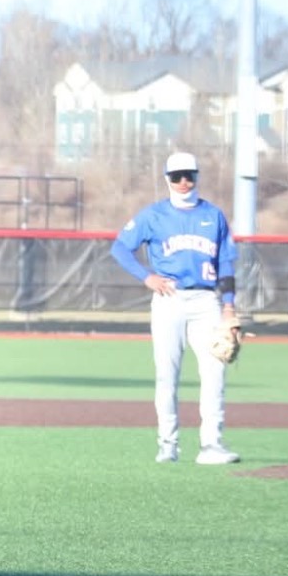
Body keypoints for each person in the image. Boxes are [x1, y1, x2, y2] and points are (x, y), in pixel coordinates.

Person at [110, 151, 243, 464]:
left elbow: (225, 262)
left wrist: (228, 307)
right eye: (176, 176)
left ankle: (212, 445)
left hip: (206, 301)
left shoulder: (213, 215)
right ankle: (168, 446)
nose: (184, 182)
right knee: (167, 375)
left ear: (197, 176)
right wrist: (147, 277)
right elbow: (120, 248)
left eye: (189, 175)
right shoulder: (153, 215)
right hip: (170, 300)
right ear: (166, 179)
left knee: (215, 372)